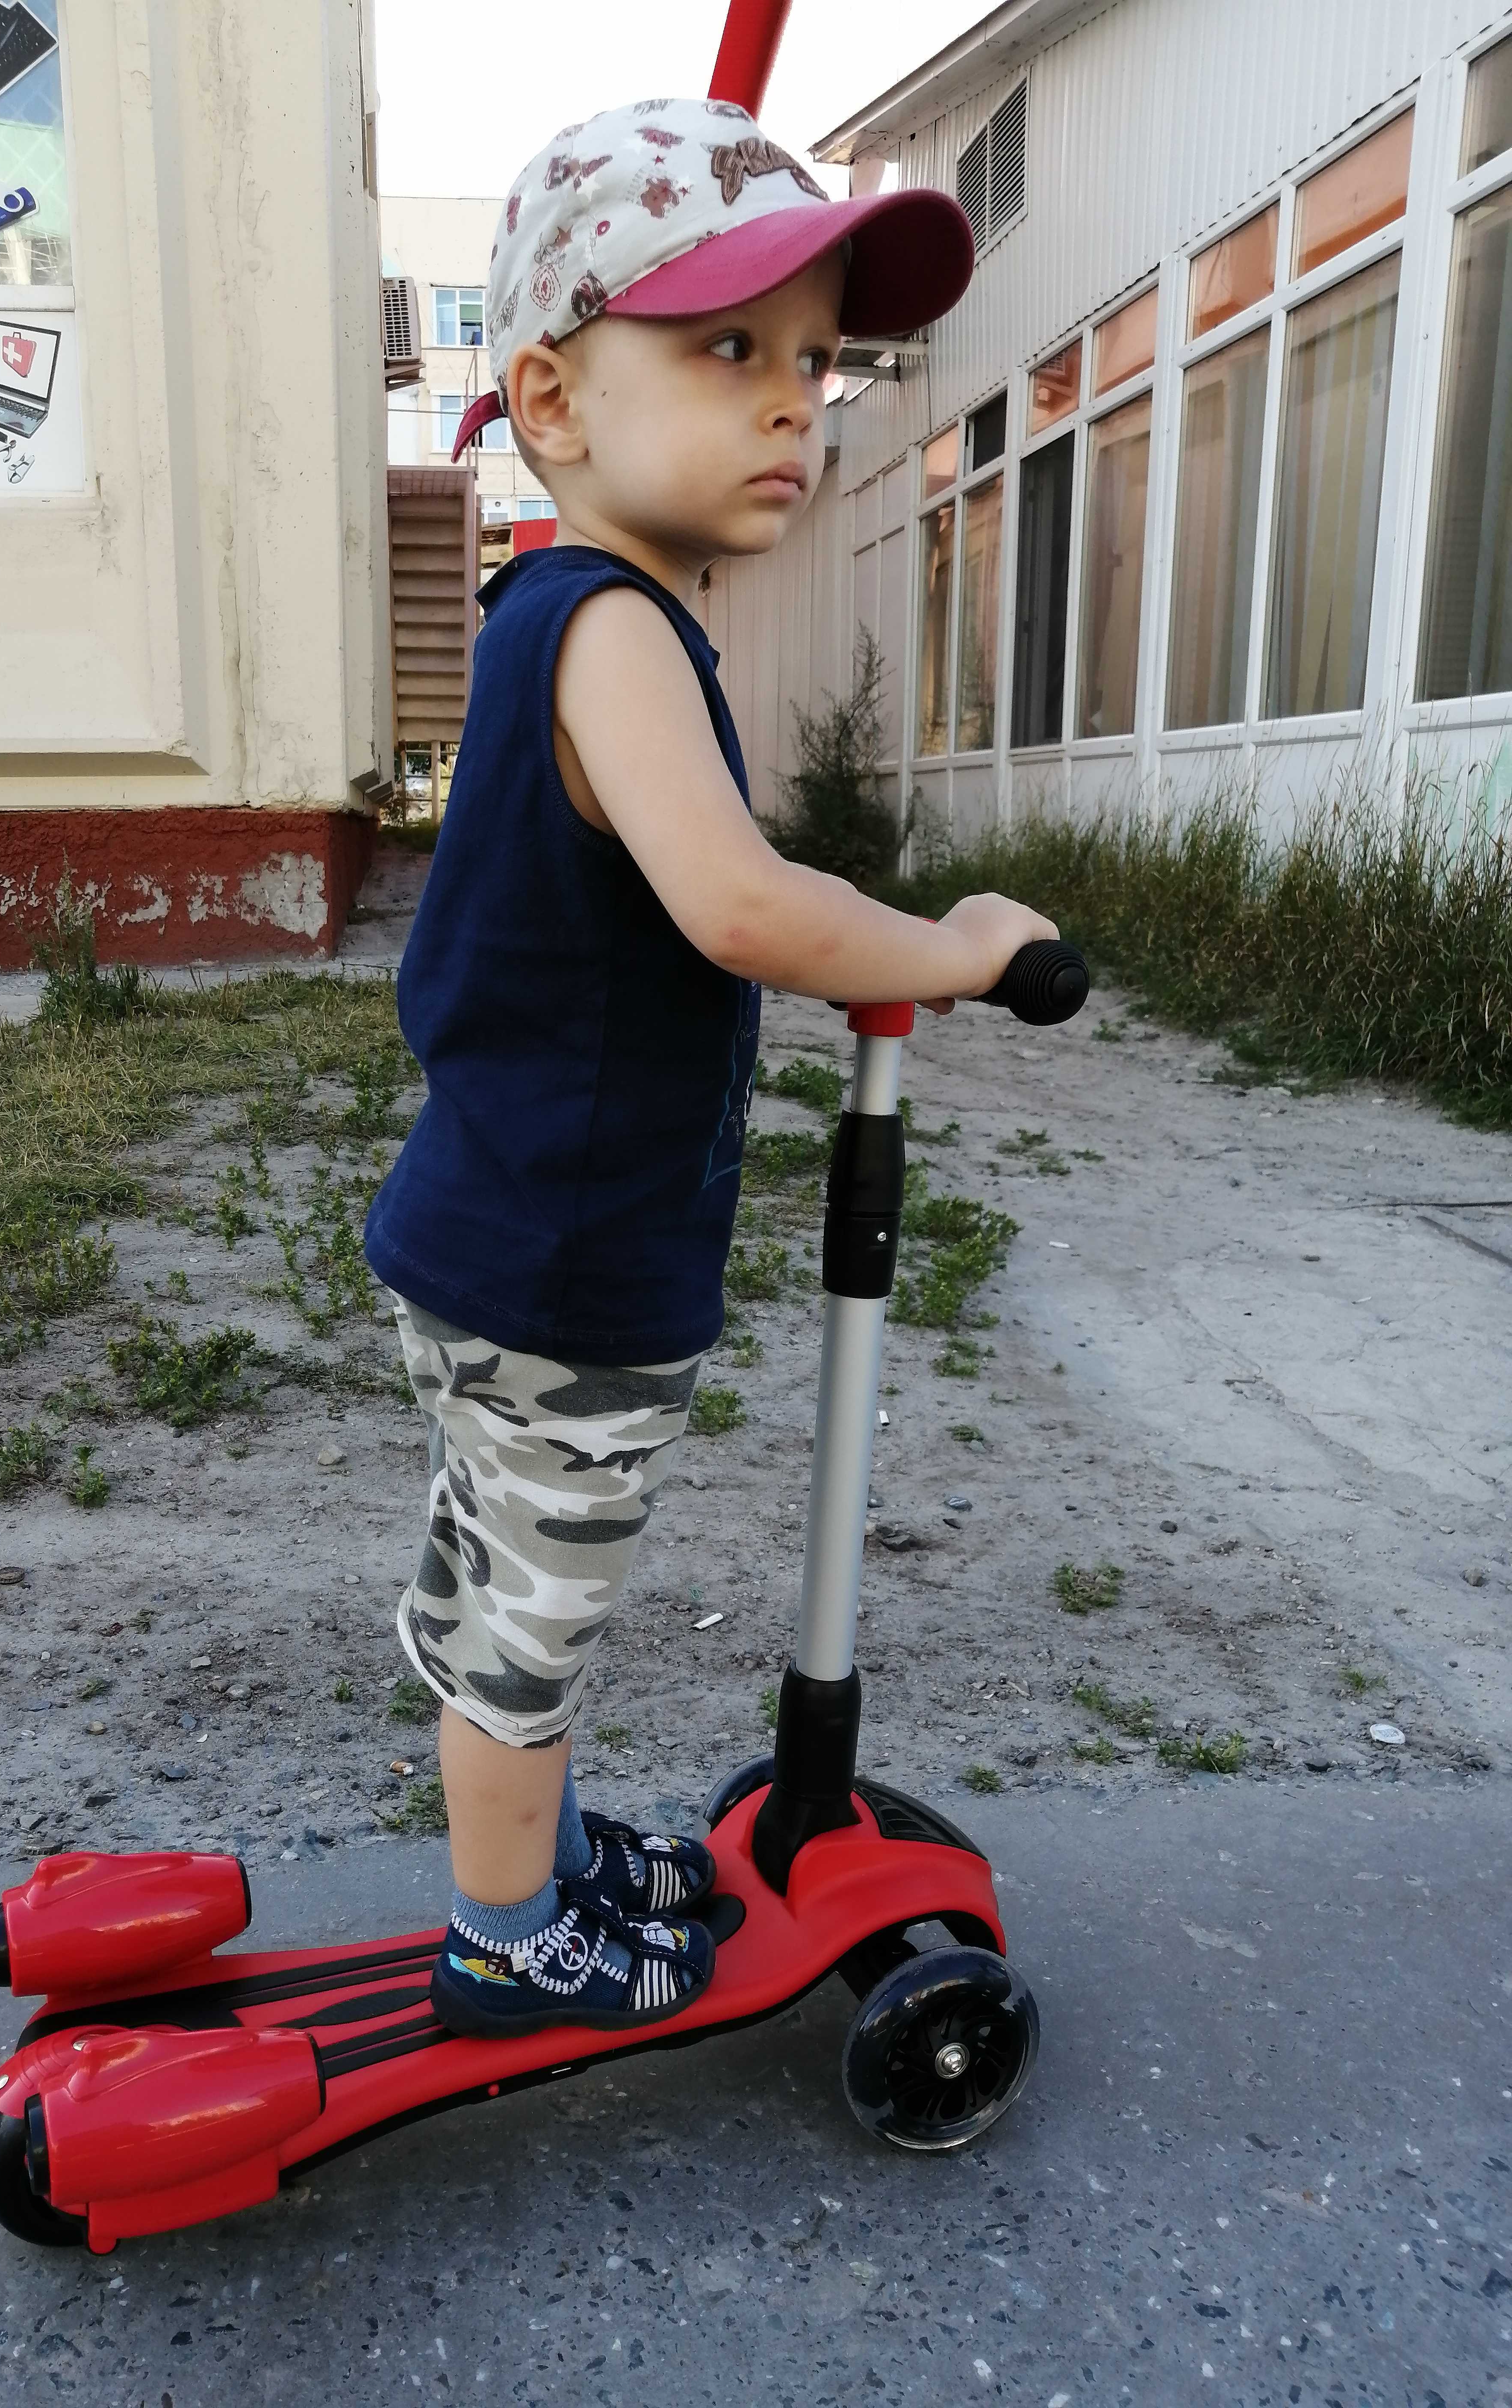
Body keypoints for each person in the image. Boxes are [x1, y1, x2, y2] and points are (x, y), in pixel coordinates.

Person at [363, 97, 1057, 2038]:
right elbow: (744, 906)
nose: (794, 403)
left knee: (497, 1586)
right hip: (562, 1267)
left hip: (498, 1230)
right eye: (730, 346)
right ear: (555, 404)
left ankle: (541, 1859)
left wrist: (851, 916)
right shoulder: (613, 633)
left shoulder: (562, 619)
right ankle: (514, 1937)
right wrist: (956, 958)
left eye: (817, 359)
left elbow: (714, 885)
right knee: (532, 1629)